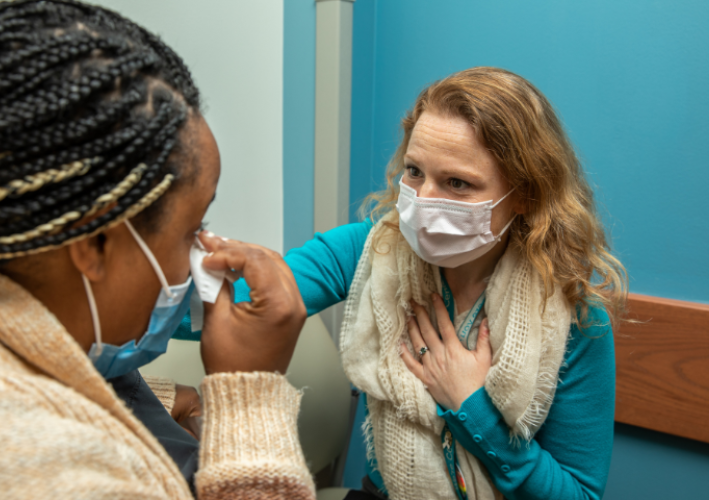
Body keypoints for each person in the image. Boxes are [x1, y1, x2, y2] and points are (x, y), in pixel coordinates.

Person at [0, 1, 314, 499]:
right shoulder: (45, 467)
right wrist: (250, 394)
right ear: (95, 240)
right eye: (194, 228)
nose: (203, 252)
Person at [219, 67, 626, 500]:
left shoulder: (573, 316)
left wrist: (471, 407)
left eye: (456, 183)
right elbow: (245, 304)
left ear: (525, 194)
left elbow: (579, 495)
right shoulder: (371, 251)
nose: (421, 201)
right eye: (414, 172)